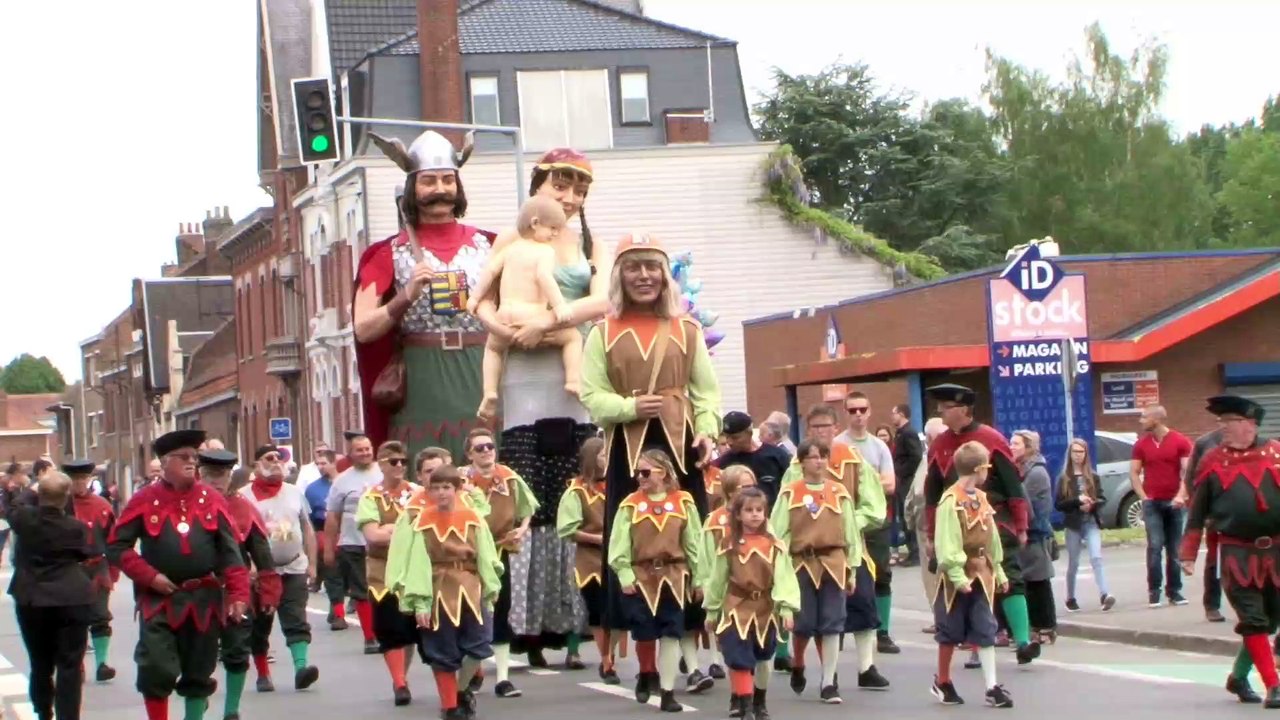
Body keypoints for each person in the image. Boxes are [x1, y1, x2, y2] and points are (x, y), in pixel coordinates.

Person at [473, 148, 610, 670]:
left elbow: (603, 300)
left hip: (571, 377)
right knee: (529, 498)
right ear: (539, 185)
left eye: (578, 191)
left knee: (572, 495)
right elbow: (481, 296)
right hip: (525, 376)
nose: (569, 199)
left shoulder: (591, 244)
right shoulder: (515, 237)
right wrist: (504, 330)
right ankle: (522, 623)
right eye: (560, 186)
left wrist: (551, 324)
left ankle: (570, 623)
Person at [578, 232, 721, 679]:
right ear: (620, 275)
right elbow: (591, 395)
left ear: (665, 274)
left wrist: (708, 433)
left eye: (652, 267)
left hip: (682, 447)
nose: (644, 276)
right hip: (627, 448)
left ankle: (692, 656)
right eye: (634, 267)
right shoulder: (601, 333)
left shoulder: (687, 330)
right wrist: (630, 408)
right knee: (636, 541)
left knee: (688, 542)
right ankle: (644, 659)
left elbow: (707, 393)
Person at [355, 130, 496, 458]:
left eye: (448, 180)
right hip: (422, 376)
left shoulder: (490, 243)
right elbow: (363, 328)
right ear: (412, 187)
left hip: (482, 368)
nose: (440, 189)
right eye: (429, 181)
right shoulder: (385, 253)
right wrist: (405, 295)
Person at [107, 429, 250, 720]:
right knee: (155, 667)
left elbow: (230, 550)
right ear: (165, 462)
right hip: (159, 599)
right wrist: (149, 577)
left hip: (204, 599)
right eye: (183, 457)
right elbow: (117, 546)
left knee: (199, 670)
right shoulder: (145, 499)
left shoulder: (211, 498)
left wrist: (238, 594)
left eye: (194, 457)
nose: (191, 462)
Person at [922, 384, 1037, 665]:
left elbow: (1013, 486)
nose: (940, 412)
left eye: (945, 407)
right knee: (970, 582)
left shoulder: (992, 439)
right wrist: (931, 532)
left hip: (995, 521)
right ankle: (976, 645)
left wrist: (1020, 526)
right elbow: (932, 494)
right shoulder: (939, 446)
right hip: (956, 524)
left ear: (962, 409)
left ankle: (1023, 642)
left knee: (1008, 576)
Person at [1179, 395, 1280, 707]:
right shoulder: (1212, 461)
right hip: (1235, 552)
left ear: (1249, 424)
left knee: (1270, 620)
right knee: (1253, 618)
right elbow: (1197, 511)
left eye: (1229, 421)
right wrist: (1188, 553)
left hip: (1275, 550)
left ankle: (1238, 677)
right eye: (1221, 422)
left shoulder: (1275, 453)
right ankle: (1274, 686)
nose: (1222, 427)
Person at [386, 464, 502, 720]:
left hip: (471, 587)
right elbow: (418, 563)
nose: (441, 493)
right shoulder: (423, 521)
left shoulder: (473, 518)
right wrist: (420, 603)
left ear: (457, 489)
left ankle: (461, 691)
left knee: (479, 645)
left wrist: (491, 589)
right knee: (442, 650)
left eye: (446, 487)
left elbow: (486, 556)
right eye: (435, 488)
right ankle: (450, 707)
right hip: (437, 589)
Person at [607, 448, 704, 712]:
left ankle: (667, 691)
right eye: (638, 472)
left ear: (663, 473)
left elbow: (694, 543)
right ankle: (647, 672)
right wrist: (625, 574)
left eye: (646, 472)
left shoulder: (683, 502)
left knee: (672, 631)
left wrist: (699, 579)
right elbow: (618, 546)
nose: (640, 477)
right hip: (641, 575)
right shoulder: (630, 505)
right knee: (645, 631)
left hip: (674, 575)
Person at [470, 195, 580, 420]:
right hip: (532, 314)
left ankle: (489, 392)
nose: (555, 234)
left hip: (505, 316)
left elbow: (490, 272)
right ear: (535, 223)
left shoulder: (510, 249)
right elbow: (543, 277)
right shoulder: (545, 251)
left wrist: (474, 297)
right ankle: (573, 379)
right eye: (553, 228)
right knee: (573, 337)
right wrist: (559, 306)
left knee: (493, 349)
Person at [770, 439, 859, 704]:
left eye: (823, 456)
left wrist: (851, 568)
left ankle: (829, 681)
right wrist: (780, 567)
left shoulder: (839, 492)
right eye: (812, 457)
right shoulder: (790, 493)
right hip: (801, 562)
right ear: (801, 462)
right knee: (803, 622)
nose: (818, 461)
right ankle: (798, 662)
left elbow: (851, 532)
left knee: (832, 623)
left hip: (833, 560)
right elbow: (778, 532)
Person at [703, 487, 801, 720]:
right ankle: (745, 706)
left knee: (763, 657)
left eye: (759, 510)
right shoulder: (729, 544)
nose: (755, 515)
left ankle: (760, 700)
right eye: (749, 510)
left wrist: (786, 608)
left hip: (765, 608)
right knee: (738, 657)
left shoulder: (775, 545)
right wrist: (712, 610)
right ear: (737, 515)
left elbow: (784, 577)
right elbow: (718, 579)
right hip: (736, 606)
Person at [929, 441, 1013, 708]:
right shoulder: (951, 502)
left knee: (986, 627)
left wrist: (997, 569)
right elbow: (947, 542)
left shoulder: (982, 499)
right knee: (950, 629)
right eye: (987, 466)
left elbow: (991, 537)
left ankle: (991, 686)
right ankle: (942, 680)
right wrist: (956, 575)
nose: (988, 471)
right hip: (959, 577)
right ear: (978, 469)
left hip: (982, 571)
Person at [200, 449, 281, 720]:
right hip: (197, 592)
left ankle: (231, 710)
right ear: (201, 475)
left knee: (236, 651)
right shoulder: (189, 505)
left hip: (236, 590)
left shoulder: (242, 507)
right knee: (199, 657)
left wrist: (269, 590)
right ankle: (198, 699)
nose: (216, 481)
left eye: (222, 475)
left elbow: (261, 552)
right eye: (210, 475)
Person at [9, 472, 94, 720]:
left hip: (32, 596)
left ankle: (43, 712)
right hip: (72, 597)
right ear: (66, 497)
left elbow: (13, 505)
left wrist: (31, 490)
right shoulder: (75, 528)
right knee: (70, 665)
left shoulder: (25, 520)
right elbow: (83, 554)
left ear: (40, 495)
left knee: (40, 662)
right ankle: (69, 716)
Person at [463, 428, 538, 697]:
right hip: (469, 554)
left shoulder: (509, 477)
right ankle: (473, 669)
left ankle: (503, 679)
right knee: (472, 609)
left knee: (501, 607)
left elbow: (527, 508)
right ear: (469, 453)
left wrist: (522, 528)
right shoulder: (461, 480)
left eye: (489, 446)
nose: (486, 451)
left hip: (499, 550)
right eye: (479, 448)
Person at [241, 444, 320, 693]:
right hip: (262, 573)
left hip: (294, 566)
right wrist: (249, 566)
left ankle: (301, 669)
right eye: (269, 458)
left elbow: (306, 527)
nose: (276, 462)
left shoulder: (294, 492)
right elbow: (238, 534)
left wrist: (313, 563)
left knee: (296, 619)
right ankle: (263, 673)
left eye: (279, 458)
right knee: (260, 624)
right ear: (256, 465)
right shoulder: (244, 496)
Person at [356, 441, 422, 705]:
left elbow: (425, 526)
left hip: (413, 569)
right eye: (393, 462)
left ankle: (402, 677)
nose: (399, 467)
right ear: (381, 464)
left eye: (403, 462)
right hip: (382, 572)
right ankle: (399, 683)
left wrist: (391, 528)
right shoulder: (370, 497)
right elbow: (373, 535)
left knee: (410, 630)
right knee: (390, 627)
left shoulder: (418, 493)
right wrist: (405, 529)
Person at [835, 392, 900, 654]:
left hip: (875, 520)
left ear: (870, 411)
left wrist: (862, 483)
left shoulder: (879, 446)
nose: (858, 414)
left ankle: (882, 631)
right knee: (841, 575)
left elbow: (890, 484)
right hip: (842, 519)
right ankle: (837, 628)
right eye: (852, 410)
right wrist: (871, 479)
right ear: (845, 412)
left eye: (862, 409)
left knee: (881, 573)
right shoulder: (838, 444)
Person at [556, 436, 622, 681]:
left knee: (617, 613)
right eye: (603, 455)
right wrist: (598, 539)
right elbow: (567, 529)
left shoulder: (619, 486)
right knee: (598, 612)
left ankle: (611, 654)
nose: (607, 459)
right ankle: (606, 660)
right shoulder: (577, 491)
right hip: (591, 562)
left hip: (618, 559)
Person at [60, 459, 119, 682]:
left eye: (83, 478)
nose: (79, 483)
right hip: (69, 569)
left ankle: (102, 663)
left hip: (97, 567)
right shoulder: (61, 507)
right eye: (75, 479)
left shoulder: (102, 505)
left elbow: (114, 540)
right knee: (73, 619)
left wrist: (113, 570)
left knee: (100, 615)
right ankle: (77, 665)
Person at [1130, 404, 1193, 608]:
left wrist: (1181, 495)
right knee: (1155, 545)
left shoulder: (1180, 441)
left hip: (1174, 503)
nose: (1141, 421)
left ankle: (1174, 591)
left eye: (1144, 417)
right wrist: (1143, 496)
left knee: (1174, 548)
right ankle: (1154, 591)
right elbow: (1134, 472)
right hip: (1152, 503)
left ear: (1156, 419)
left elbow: (1187, 472)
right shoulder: (1141, 444)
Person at [323, 431, 380, 650]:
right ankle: (369, 637)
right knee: (361, 589)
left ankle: (386, 631)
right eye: (360, 450)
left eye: (367, 449)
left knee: (383, 590)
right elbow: (332, 517)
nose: (365, 453)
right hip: (353, 542)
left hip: (383, 543)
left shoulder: (382, 474)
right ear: (351, 454)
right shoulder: (342, 481)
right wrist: (328, 548)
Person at [1056, 438, 1115, 613]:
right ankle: (1070, 597)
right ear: (1070, 454)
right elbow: (1059, 504)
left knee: (1096, 558)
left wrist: (1093, 504)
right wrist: (1076, 502)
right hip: (1073, 524)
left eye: (1081, 452)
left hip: (1090, 522)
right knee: (1073, 563)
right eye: (1075, 452)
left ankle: (1105, 594)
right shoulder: (1064, 478)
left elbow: (1103, 498)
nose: (1078, 456)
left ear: (1086, 454)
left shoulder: (1093, 476)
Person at [1011, 430, 1056, 644]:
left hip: (1035, 533)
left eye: (1016, 444)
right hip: (1026, 532)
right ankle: (1035, 628)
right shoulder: (1020, 469)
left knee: (1039, 581)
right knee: (1029, 581)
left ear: (1029, 447)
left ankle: (1045, 627)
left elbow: (1030, 506)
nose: (1011, 447)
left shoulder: (1036, 472)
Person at [1178, 426, 1227, 622]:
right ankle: (1212, 605)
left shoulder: (1255, 444)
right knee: (1215, 561)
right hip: (1214, 512)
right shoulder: (1205, 443)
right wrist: (1197, 507)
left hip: (1243, 515)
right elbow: (1191, 478)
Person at [909, 418, 946, 634]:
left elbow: (920, 494)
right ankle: (940, 617)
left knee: (936, 575)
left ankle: (942, 619)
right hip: (926, 524)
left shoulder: (934, 458)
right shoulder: (927, 457)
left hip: (932, 525)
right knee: (932, 575)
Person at [714, 411, 792, 508]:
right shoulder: (723, 463)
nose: (729, 442)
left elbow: (790, 489)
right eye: (727, 437)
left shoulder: (777, 456)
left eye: (735, 438)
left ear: (749, 433)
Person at [890, 404, 923, 567]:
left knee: (908, 514)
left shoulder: (909, 433)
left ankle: (915, 552)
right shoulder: (900, 433)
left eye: (894, 413)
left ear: (902, 414)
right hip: (902, 481)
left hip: (907, 481)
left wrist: (901, 471)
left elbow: (916, 456)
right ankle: (911, 550)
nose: (892, 416)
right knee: (903, 516)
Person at [304, 449, 338, 593]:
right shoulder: (312, 489)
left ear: (333, 463)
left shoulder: (343, 482)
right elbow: (309, 516)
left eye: (324, 463)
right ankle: (319, 578)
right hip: (322, 529)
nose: (320, 467)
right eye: (318, 464)